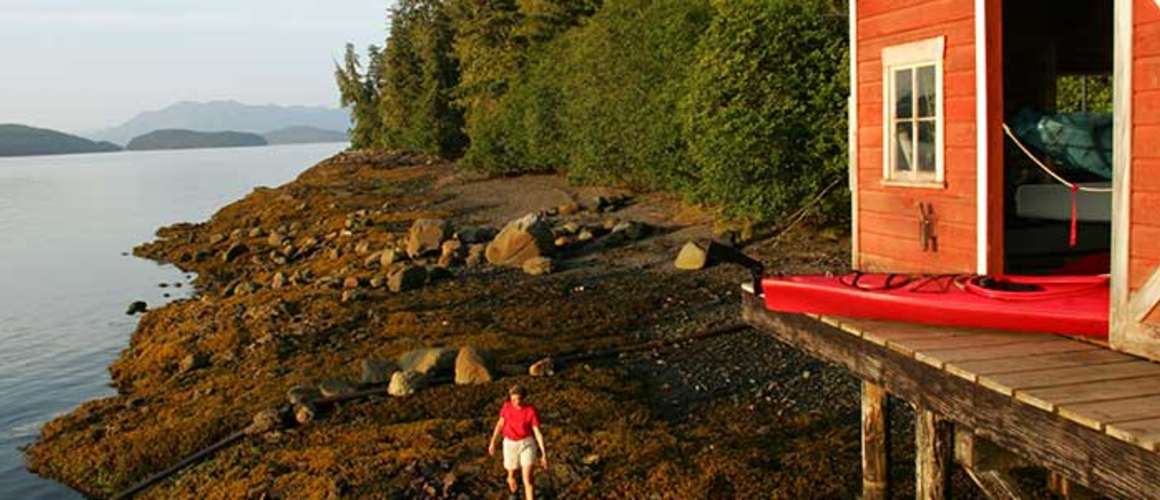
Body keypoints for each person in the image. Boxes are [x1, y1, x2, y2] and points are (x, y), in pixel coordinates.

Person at [488, 384, 548, 500]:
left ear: (523, 398)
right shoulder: (506, 407)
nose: (516, 402)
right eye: (513, 399)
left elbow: (537, 432)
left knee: (528, 478)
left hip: (526, 443)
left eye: (518, 399)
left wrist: (543, 454)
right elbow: (500, 424)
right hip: (510, 444)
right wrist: (493, 442)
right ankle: (513, 492)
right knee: (512, 477)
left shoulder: (530, 411)